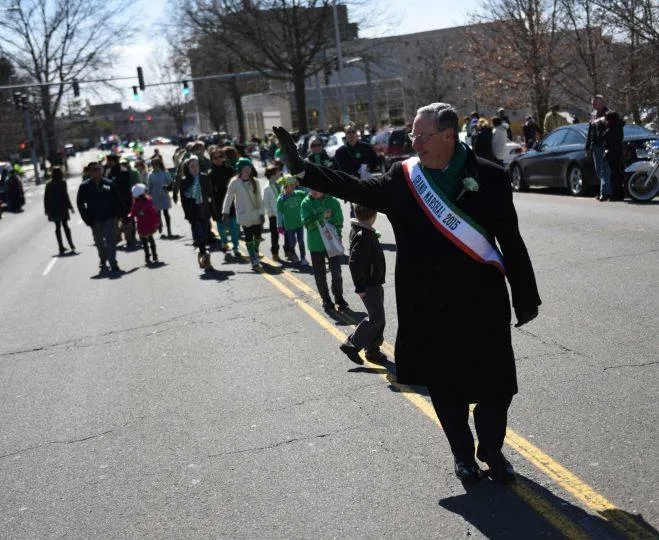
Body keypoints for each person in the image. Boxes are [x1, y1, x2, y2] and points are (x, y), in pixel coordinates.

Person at [273, 101, 541, 484]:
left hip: (483, 300)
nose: (414, 142)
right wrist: (303, 169)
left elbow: (511, 240)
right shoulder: (403, 178)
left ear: (449, 136)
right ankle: (463, 456)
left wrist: (525, 294)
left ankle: (492, 449)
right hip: (428, 302)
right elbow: (355, 187)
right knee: (445, 387)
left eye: (422, 135)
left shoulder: (491, 177)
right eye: (413, 134)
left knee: (496, 385)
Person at [339, 204, 387, 364]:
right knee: (376, 318)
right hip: (369, 284)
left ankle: (372, 350)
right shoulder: (363, 235)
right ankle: (351, 344)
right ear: (373, 217)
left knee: (379, 318)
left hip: (374, 281)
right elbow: (354, 262)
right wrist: (360, 287)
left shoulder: (363, 231)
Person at [300, 188, 348, 311]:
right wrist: (322, 216)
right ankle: (326, 299)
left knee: (336, 271)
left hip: (331, 244)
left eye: (316, 187)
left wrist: (338, 236)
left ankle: (339, 297)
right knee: (320, 274)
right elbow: (307, 224)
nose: (314, 191)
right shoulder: (306, 203)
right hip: (316, 245)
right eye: (310, 188)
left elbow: (339, 221)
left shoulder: (333, 202)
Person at [76, 161, 121, 273]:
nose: (97, 171)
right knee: (99, 242)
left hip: (109, 217)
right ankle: (103, 259)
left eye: (99, 169)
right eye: (94, 169)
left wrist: (117, 214)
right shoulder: (85, 186)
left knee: (110, 241)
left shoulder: (107, 184)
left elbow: (116, 198)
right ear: (90, 172)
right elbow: (80, 204)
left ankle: (113, 263)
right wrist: (86, 218)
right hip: (95, 219)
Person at [222, 157, 265, 269]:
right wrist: (225, 212)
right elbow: (228, 198)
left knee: (258, 236)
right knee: (248, 237)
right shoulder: (235, 182)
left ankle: (255, 250)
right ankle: (253, 259)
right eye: (245, 167)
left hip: (256, 214)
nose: (247, 169)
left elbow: (259, 199)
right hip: (244, 215)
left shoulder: (255, 182)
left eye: (249, 167)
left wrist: (262, 213)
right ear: (240, 169)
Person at [334, 125, 379, 217]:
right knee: (355, 209)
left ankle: (367, 229)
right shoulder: (340, 152)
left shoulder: (366, 147)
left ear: (357, 134)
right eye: (348, 132)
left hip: (366, 183)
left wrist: (368, 168)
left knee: (368, 208)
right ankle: (356, 229)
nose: (351, 134)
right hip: (352, 185)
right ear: (345, 135)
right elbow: (338, 171)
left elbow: (375, 162)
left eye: (353, 132)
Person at [180, 156, 214, 270]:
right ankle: (205, 256)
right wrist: (187, 214)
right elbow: (184, 200)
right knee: (199, 235)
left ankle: (202, 253)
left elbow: (210, 195)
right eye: (192, 166)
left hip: (204, 210)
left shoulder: (205, 177)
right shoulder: (185, 181)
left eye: (196, 165)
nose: (195, 168)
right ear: (188, 168)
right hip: (193, 211)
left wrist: (213, 211)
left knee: (204, 234)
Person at [208, 148, 241, 258]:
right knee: (221, 227)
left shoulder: (230, 170)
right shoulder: (210, 174)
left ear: (224, 158)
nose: (218, 160)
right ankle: (224, 242)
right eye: (215, 158)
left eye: (220, 157)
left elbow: (237, 186)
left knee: (234, 227)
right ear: (212, 160)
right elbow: (209, 193)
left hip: (231, 202)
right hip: (218, 204)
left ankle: (236, 247)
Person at [276, 175, 309, 266]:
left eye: (294, 184)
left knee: (301, 241)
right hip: (289, 225)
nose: (294, 186)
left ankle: (303, 257)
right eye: (291, 185)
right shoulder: (281, 199)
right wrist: (279, 225)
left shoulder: (299, 193)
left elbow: (308, 195)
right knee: (292, 242)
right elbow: (279, 213)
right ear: (286, 186)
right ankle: (292, 253)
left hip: (299, 223)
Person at [104, 154, 135, 248]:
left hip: (124, 202)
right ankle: (118, 238)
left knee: (126, 222)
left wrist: (128, 202)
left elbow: (126, 188)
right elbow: (106, 186)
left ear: (113, 161)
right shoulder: (108, 172)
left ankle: (129, 240)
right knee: (114, 222)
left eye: (108, 161)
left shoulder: (123, 171)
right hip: (112, 202)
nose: (107, 163)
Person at [44, 167, 76, 255]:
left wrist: (46, 209)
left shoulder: (48, 184)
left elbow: (46, 198)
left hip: (53, 209)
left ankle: (60, 246)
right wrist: (70, 207)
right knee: (65, 226)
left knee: (57, 227)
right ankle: (71, 244)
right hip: (62, 207)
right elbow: (65, 195)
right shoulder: (62, 183)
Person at [586, 94, 611, 201]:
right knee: (598, 169)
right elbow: (590, 131)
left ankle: (604, 193)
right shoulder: (593, 115)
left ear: (601, 102)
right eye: (593, 104)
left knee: (604, 169)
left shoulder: (609, 113)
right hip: (595, 145)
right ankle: (606, 190)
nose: (594, 106)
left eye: (595, 103)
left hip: (605, 144)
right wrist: (587, 146)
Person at [128, 183, 161, 265]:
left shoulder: (138, 203)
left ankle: (148, 256)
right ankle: (154, 255)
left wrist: (130, 216)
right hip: (148, 225)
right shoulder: (148, 202)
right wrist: (158, 222)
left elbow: (133, 212)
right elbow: (154, 213)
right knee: (150, 239)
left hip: (142, 225)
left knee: (145, 242)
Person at [147, 156, 174, 237]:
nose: (154, 166)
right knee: (158, 213)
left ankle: (169, 230)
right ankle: (160, 227)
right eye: (153, 164)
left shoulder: (165, 173)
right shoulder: (150, 174)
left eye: (156, 164)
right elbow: (149, 186)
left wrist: (168, 187)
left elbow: (170, 182)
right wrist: (148, 197)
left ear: (159, 164)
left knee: (166, 213)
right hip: (155, 196)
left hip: (164, 195)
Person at [263, 163, 284, 262]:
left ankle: (288, 250)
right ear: (272, 175)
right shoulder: (267, 188)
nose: (279, 174)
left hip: (283, 213)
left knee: (287, 233)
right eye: (277, 173)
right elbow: (266, 203)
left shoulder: (280, 185)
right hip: (273, 216)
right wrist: (270, 214)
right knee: (275, 235)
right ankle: (275, 253)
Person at [603, 110, 625, 201]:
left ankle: (615, 194)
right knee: (618, 173)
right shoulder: (619, 127)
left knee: (614, 174)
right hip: (618, 151)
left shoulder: (611, 129)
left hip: (612, 152)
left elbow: (606, 137)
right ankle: (620, 193)